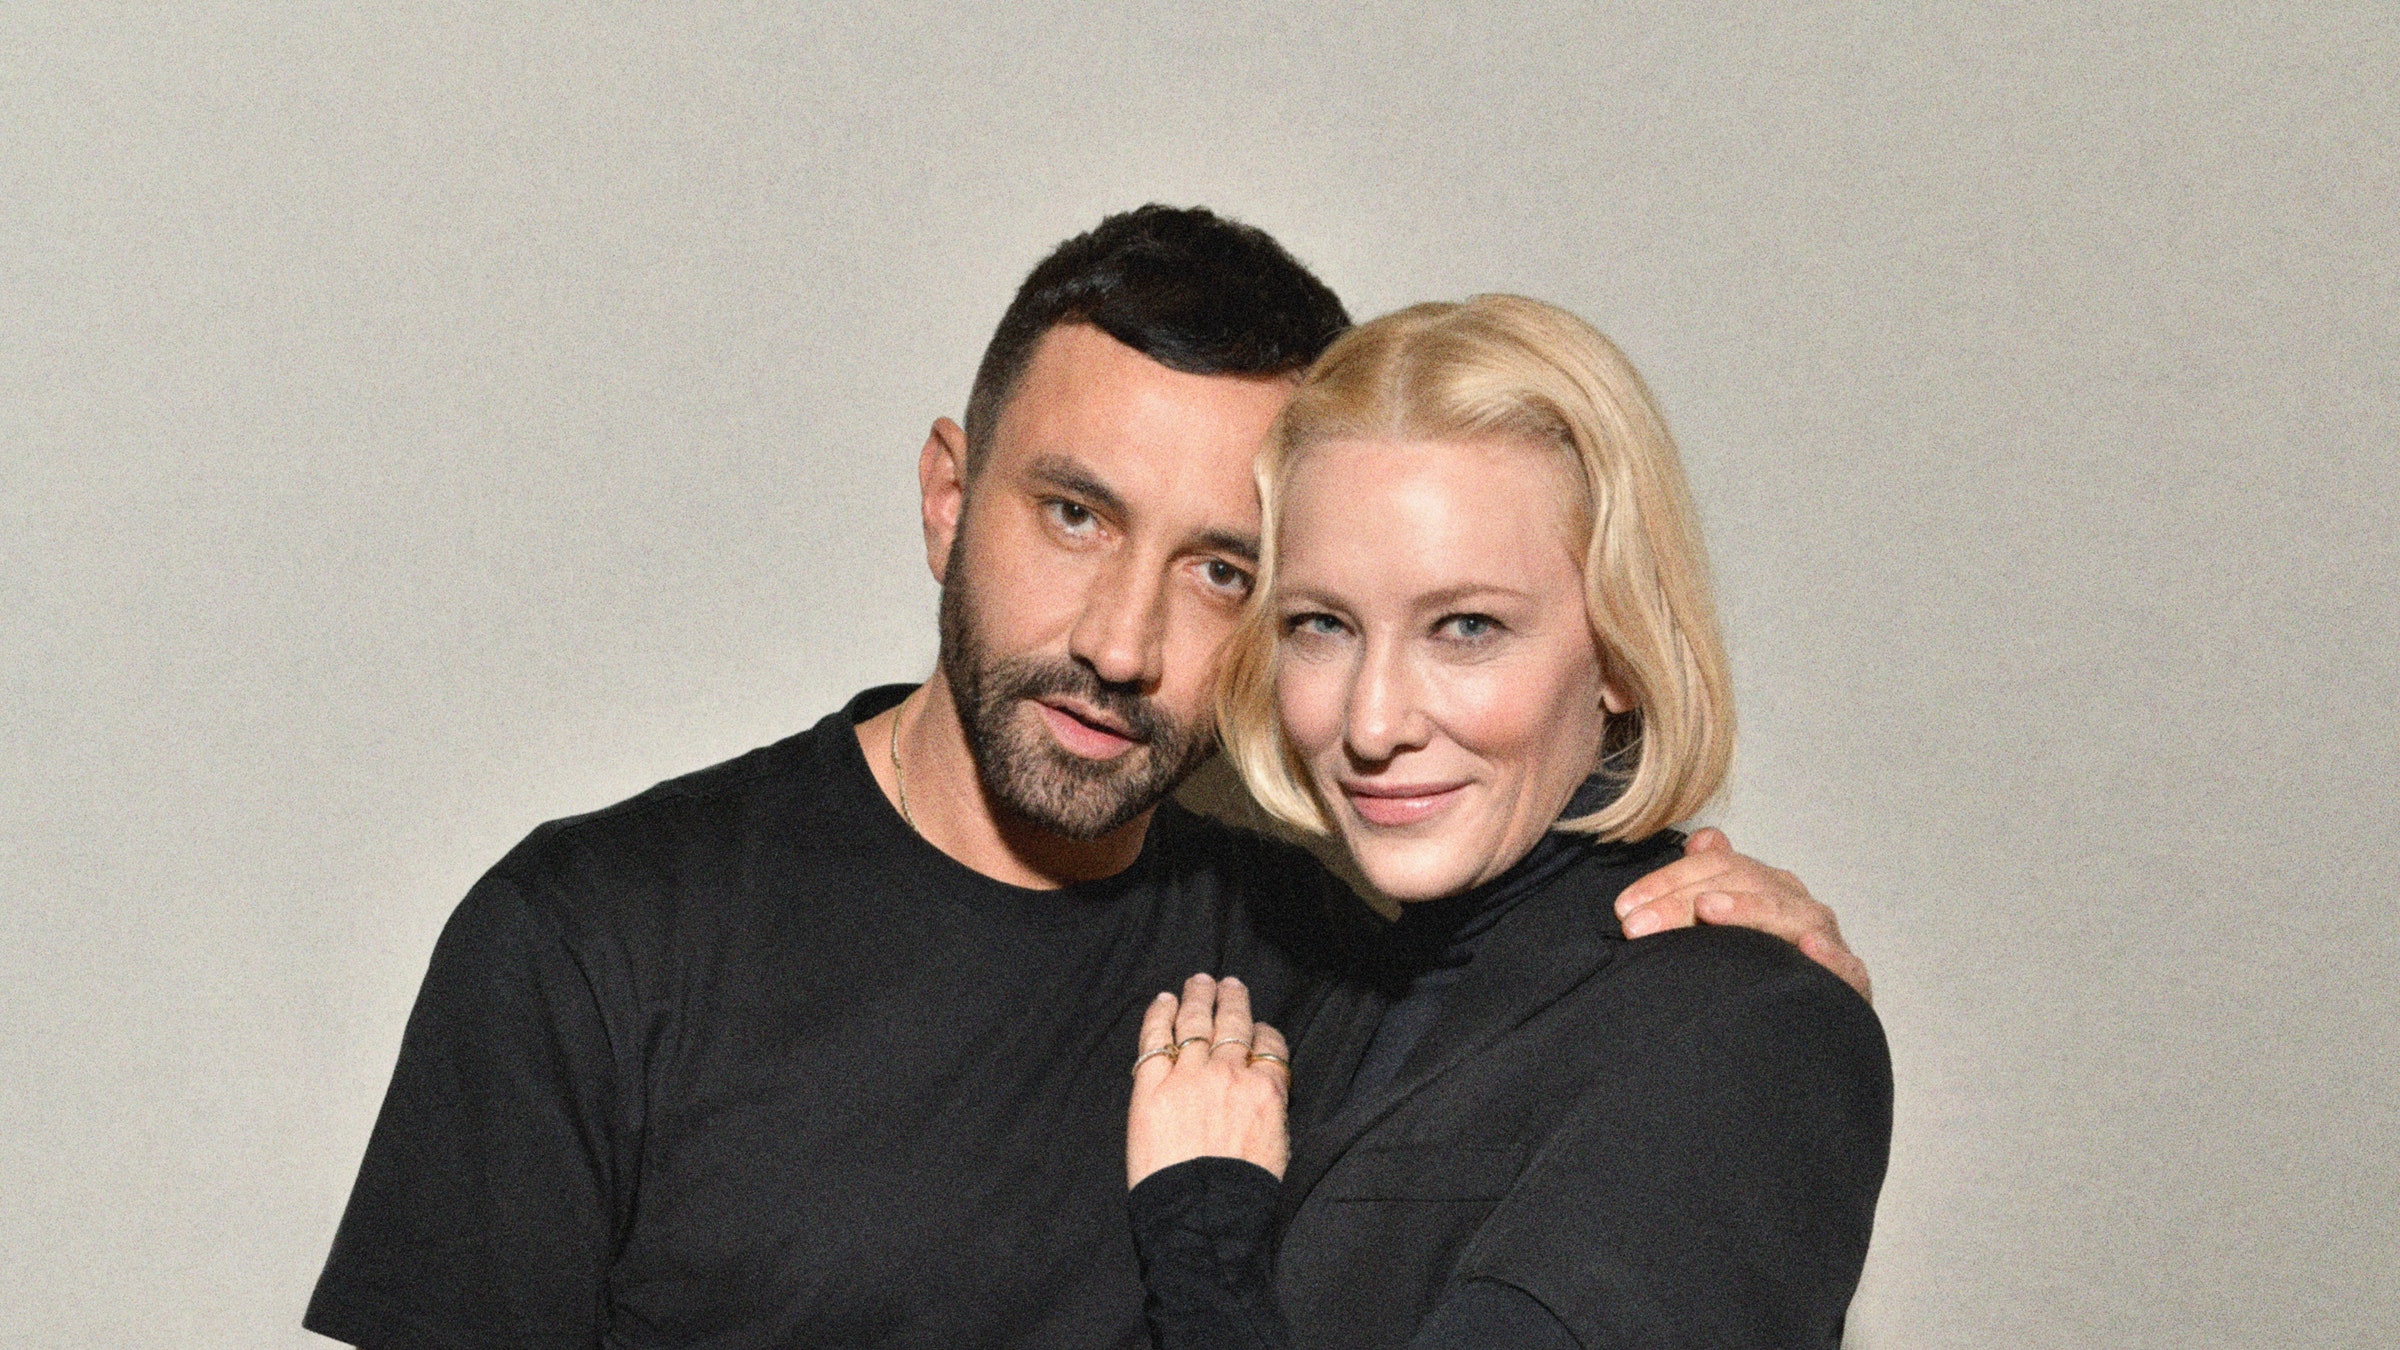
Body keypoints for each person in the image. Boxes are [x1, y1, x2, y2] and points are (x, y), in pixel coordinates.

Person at [305, 210, 1868, 1349]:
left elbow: (1587, 1026)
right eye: (1075, 515)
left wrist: (1739, 954)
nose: (1121, 641)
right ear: (947, 495)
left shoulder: (1338, 955)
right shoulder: (596, 938)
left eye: (1223, 570)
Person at [1123, 296, 1891, 1348]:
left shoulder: (1743, 1022)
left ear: (1622, 648)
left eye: (1466, 627)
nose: (1372, 722)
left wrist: (1204, 1250)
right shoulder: (1330, 984)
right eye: (1322, 624)